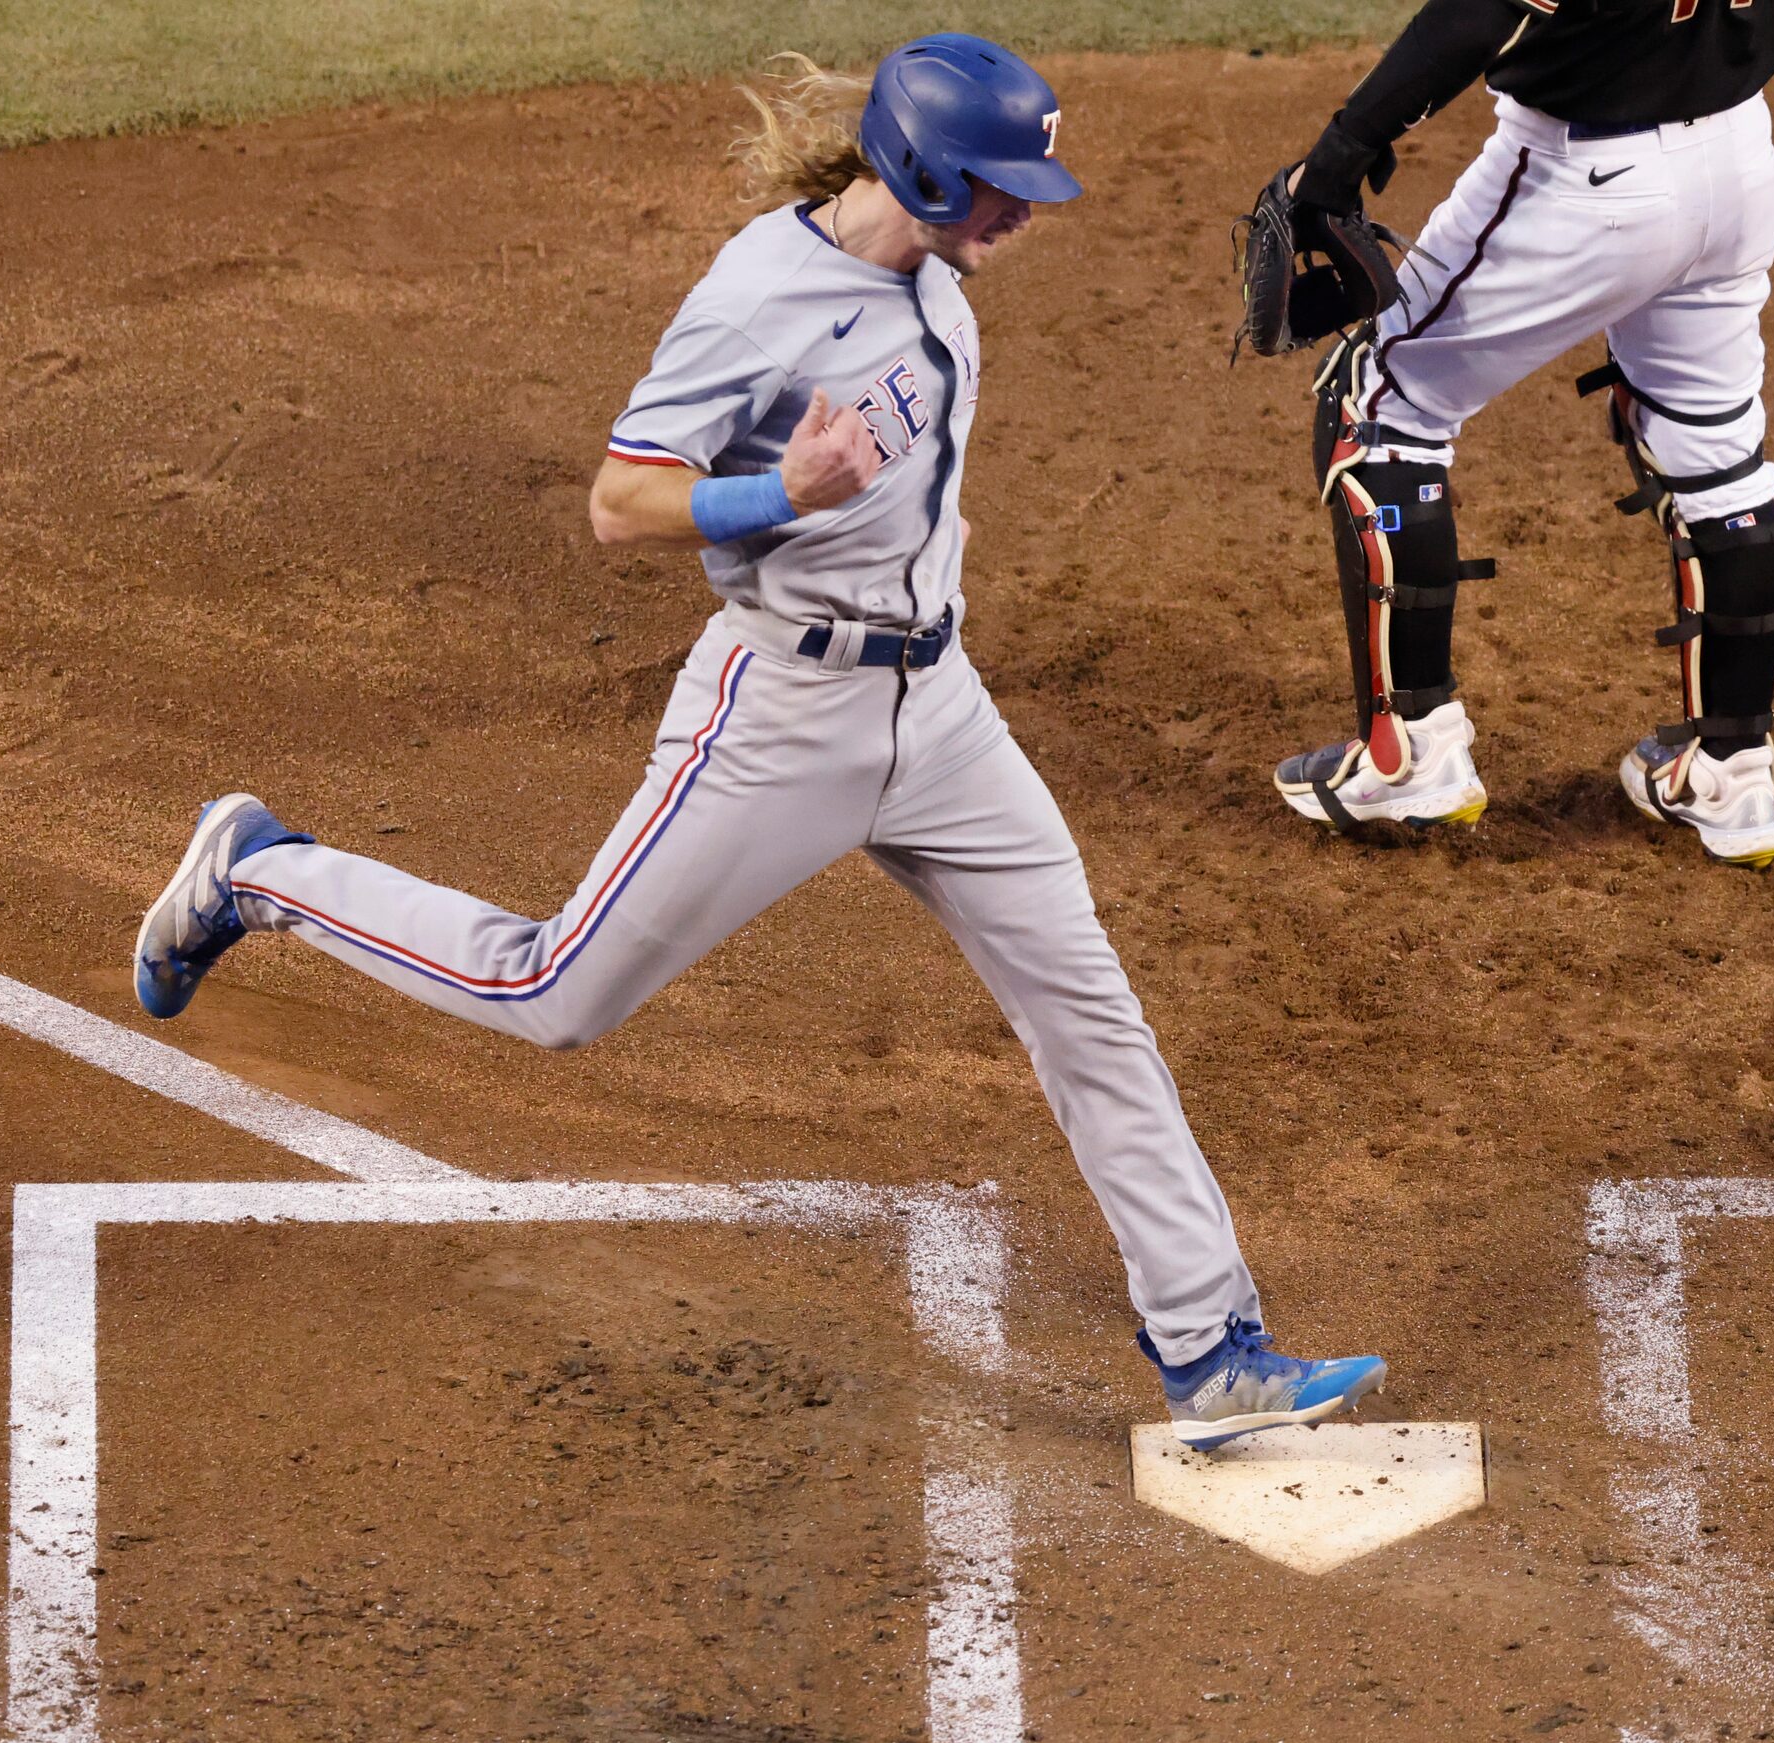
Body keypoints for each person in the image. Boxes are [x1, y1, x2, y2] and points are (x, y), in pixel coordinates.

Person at [127, 36, 1383, 1450]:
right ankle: (260, 869)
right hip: (784, 714)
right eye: (999, 190)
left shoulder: (935, 279)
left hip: (942, 710)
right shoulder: (757, 299)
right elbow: (619, 502)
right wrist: (772, 492)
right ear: (917, 165)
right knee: (554, 991)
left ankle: (1209, 1351)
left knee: (1087, 1009)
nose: (1022, 216)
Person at [1262, 0, 1774, 869]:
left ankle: (1407, 756)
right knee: (1715, 451)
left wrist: (1343, 152)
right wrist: (1715, 74)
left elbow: (1482, 11)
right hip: (1737, 156)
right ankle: (1730, 774)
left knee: (1378, 403)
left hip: (1586, 177)